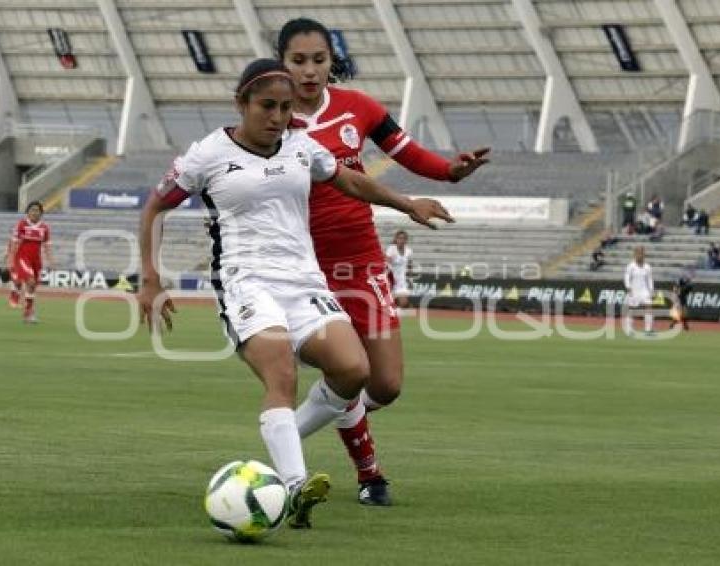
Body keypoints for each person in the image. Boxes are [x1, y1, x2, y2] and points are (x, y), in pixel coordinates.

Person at [136, 59, 453, 529]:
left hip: (304, 283)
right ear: (241, 104)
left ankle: (279, 441)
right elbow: (156, 207)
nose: (278, 117)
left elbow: (347, 179)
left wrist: (407, 204)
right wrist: (150, 279)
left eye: (285, 108)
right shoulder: (206, 154)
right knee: (280, 371)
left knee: (353, 369)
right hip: (246, 282)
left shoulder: (301, 145)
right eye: (267, 106)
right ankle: (292, 486)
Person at [277, 17, 489, 506]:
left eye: (318, 60)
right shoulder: (273, 116)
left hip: (361, 258)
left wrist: (451, 173)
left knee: (387, 384)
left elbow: (408, 153)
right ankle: (368, 474)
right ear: (283, 63)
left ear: (332, 61)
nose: (309, 71)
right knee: (347, 370)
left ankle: (335, 415)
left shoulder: (359, 108)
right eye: (298, 61)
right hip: (302, 264)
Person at [5, 200, 52, 323]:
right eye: (32, 210)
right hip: (22, 257)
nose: (34, 213)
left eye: (37, 210)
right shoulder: (22, 224)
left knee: (32, 287)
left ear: (41, 213)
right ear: (27, 212)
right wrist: (10, 259)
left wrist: (51, 261)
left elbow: (47, 245)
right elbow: (14, 243)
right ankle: (26, 308)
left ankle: (27, 313)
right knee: (30, 282)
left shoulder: (44, 228)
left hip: (36, 260)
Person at [623, 246, 655, 336]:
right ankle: (629, 330)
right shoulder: (631, 266)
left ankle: (648, 330)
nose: (640, 255)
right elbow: (627, 278)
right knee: (631, 309)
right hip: (634, 290)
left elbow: (650, 279)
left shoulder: (647, 267)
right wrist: (628, 287)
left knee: (649, 307)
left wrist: (651, 290)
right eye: (638, 253)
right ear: (635, 255)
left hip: (644, 291)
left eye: (642, 253)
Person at [385, 230, 413, 309]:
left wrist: (410, 279)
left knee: (404, 304)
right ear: (396, 239)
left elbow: (410, 266)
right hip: (391, 280)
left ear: (406, 240)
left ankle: (396, 316)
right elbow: (386, 264)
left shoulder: (409, 251)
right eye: (400, 238)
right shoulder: (391, 249)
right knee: (389, 304)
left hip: (402, 281)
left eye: (404, 239)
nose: (401, 240)